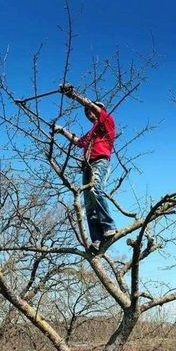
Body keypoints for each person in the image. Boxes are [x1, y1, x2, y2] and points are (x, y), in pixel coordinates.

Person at [53, 83, 117, 253]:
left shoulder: (107, 122)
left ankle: (109, 226)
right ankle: (96, 238)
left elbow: (91, 106)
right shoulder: (91, 134)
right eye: (87, 114)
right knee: (88, 203)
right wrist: (61, 131)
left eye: (92, 111)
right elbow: (77, 142)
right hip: (87, 166)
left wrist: (74, 95)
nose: (90, 114)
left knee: (96, 190)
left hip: (100, 161)